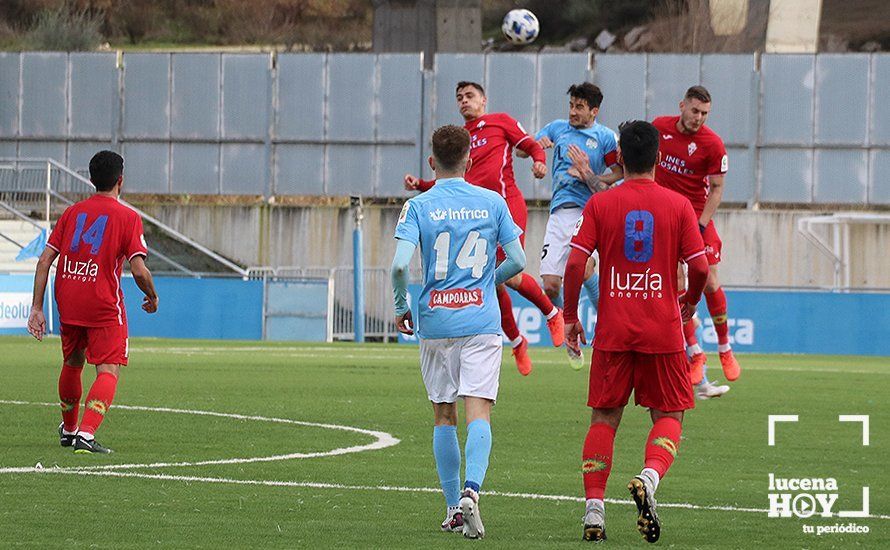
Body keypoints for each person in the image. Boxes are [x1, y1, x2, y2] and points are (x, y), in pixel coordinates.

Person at [562, 121, 709, 543]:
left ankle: (594, 512)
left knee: (604, 418)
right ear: (659, 158)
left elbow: (574, 264)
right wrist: (691, 302)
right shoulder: (679, 206)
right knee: (669, 416)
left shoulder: (601, 204)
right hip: (662, 331)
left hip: (613, 330)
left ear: (621, 157)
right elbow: (699, 266)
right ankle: (648, 477)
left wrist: (571, 316)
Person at [392, 125, 526, 539]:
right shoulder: (492, 201)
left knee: (443, 414)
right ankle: (472, 491)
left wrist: (402, 306)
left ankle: (452, 507)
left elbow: (399, 266)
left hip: (436, 323)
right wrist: (487, 281)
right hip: (481, 322)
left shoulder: (417, 206)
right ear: (470, 161)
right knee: (478, 412)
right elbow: (518, 260)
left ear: (432, 162)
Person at [404, 81, 563, 376]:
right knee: (492, 280)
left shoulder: (499, 122)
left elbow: (529, 144)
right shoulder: (460, 138)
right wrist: (422, 185)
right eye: (459, 98)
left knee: (511, 276)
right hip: (474, 213)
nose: (464, 101)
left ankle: (552, 313)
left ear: (483, 100)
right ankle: (517, 342)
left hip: (507, 205)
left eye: (469, 96)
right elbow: (454, 178)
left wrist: (540, 161)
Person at [27, 150, 159, 454]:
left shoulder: (72, 213)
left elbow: (44, 261)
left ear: (91, 179)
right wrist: (151, 296)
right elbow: (138, 270)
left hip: (69, 300)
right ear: (120, 181)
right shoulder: (128, 217)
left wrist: (36, 307)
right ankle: (86, 434)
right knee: (108, 370)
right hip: (102, 305)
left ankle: (69, 430)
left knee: (73, 363)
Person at [518, 82, 622, 368]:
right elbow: (522, 150)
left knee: (585, 267)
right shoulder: (557, 128)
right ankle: (569, 324)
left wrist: (590, 174)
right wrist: (536, 154)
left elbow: (619, 172)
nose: (573, 112)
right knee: (550, 285)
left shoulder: (605, 138)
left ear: (594, 111)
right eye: (571, 105)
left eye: (579, 107)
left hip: (589, 211)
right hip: (559, 213)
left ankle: (600, 325)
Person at [652, 85, 739, 389]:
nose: (698, 118)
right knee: (675, 283)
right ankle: (696, 353)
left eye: (704, 113)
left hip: (698, 218)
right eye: (694, 111)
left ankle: (725, 348)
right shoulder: (659, 128)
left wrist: (701, 225)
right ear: (682, 106)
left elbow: (717, 189)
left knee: (711, 280)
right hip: (665, 219)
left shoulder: (713, 144)